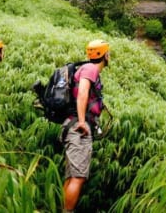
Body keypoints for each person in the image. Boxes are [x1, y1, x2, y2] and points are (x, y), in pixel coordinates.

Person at [62, 39, 109, 212]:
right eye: (108, 53)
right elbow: (82, 93)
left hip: (72, 125)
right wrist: (82, 122)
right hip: (78, 127)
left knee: (72, 176)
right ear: (104, 54)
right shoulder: (90, 69)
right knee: (78, 177)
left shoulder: (88, 69)